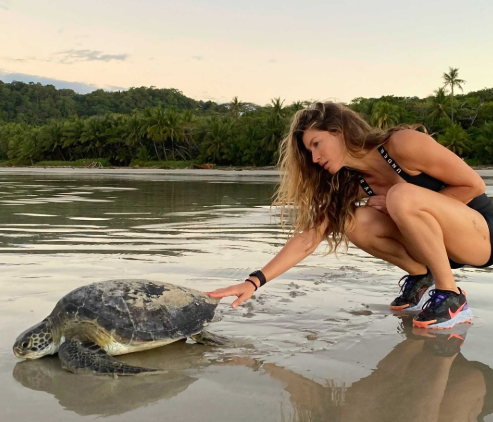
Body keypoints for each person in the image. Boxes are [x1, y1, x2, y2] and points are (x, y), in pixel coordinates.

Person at [206, 102, 493, 329]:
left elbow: (473, 185)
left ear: (338, 131)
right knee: (351, 220)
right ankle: (421, 274)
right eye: (309, 153)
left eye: (316, 144)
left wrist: (406, 205)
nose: (315, 158)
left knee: (400, 196)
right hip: (436, 247)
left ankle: (451, 297)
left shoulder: (403, 144)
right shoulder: (353, 183)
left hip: (481, 235)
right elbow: (310, 236)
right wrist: (254, 281)